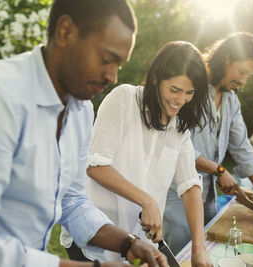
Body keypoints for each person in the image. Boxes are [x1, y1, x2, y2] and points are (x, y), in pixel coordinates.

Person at [0, 1, 168, 267]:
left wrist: (128, 243)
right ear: (65, 32)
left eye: (119, 64)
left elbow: (72, 203)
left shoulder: (81, 110)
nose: (112, 76)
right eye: (107, 59)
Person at [61, 41, 214, 267]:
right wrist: (147, 201)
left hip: (139, 244)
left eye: (189, 93)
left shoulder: (180, 127)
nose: (181, 100)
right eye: (174, 90)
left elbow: (190, 186)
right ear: (156, 79)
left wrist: (198, 248)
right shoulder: (123, 99)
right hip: (95, 235)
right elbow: (95, 165)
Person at [163, 32, 253, 254]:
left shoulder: (231, 100)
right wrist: (218, 169)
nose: (244, 81)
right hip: (175, 191)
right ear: (227, 59)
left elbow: (242, 146)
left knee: (206, 250)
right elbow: (177, 144)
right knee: (178, 253)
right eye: (242, 72)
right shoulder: (191, 87)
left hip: (207, 194)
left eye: (248, 76)